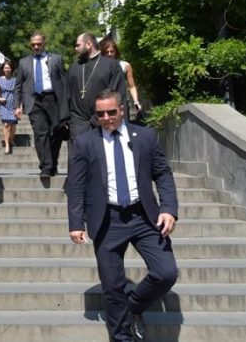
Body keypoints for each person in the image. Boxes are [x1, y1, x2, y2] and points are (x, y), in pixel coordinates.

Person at [67, 89, 178, 342]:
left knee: (166, 273)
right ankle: (122, 337)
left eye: (111, 112)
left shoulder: (146, 136)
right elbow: (76, 185)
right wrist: (76, 222)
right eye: (100, 114)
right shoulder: (86, 142)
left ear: (122, 110)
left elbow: (163, 174)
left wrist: (168, 208)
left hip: (144, 216)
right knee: (113, 286)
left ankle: (134, 306)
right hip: (108, 219)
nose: (106, 118)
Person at [13, 32, 67, 177]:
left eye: (39, 44)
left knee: (56, 132)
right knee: (40, 132)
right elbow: (18, 86)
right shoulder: (23, 62)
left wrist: (66, 103)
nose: (36, 47)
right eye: (33, 44)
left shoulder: (56, 59)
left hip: (53, 99)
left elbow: (64, 82)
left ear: (44, 43)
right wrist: (17, 106)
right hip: (34, 101)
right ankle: (46, 166)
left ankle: (52, 163)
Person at [62, 33, 126, 148]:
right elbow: (66, 95)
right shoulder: (74, 67)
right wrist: (64, 120)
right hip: (78, 124)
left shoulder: (111, 65)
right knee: (78, 157)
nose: (75, 48)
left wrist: (100, 116)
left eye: (78, 45)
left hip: (104, 120)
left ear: (89, 44)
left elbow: (118, 94)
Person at [100, 37, 143, 120]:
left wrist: (136, 101)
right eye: (106, 52)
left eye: (112, 51)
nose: (109, 54)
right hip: (103, 101)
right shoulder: (99, 67)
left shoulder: (125, 65)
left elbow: (132, 86)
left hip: (121, 101)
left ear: (116, 52)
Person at [0, 59, 17, 155]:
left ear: (11, 69)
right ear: (3, 69)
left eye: (9, 68)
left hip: (13, 103)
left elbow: (19, 92)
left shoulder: (15, 79)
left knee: (13, 125)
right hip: (3, 104)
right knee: (6, 124)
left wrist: (20, 105)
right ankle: (7, 145)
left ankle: (11, 139)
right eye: (5, 68)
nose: (7, 69)